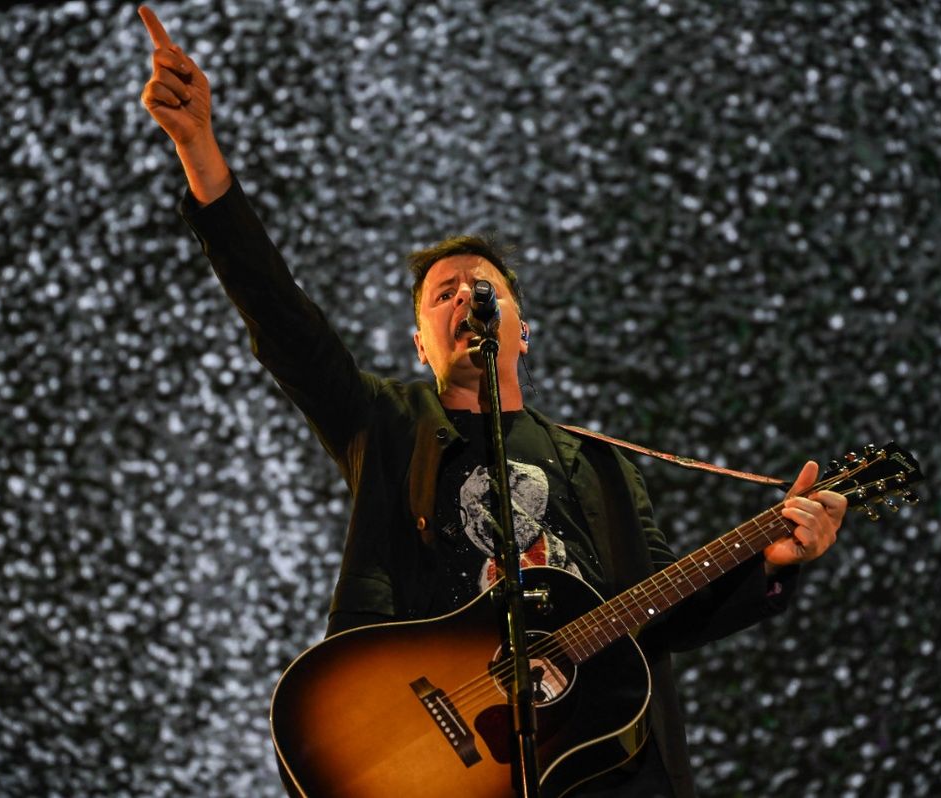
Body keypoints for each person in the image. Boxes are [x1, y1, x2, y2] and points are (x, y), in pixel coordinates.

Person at [135, 6, 846, 797]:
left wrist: (773, 561)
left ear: (522, 330)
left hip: (597, 762)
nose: (465, 298)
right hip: (430, 751)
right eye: (443, 295)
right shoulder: (388, 426)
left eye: (485, 289)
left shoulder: (602, 467)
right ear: (420, 345)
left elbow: (662, 616)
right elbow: (282, 319)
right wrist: (200, 151)